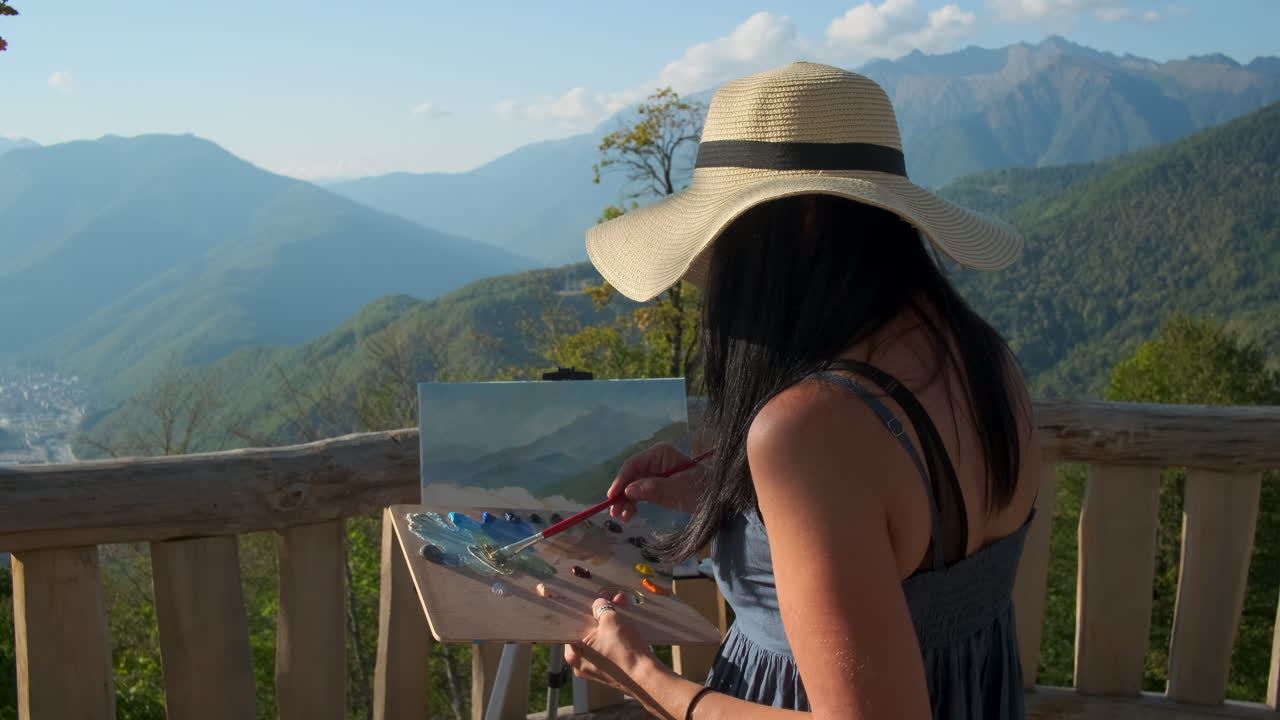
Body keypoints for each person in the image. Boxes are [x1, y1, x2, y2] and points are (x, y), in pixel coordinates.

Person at [562, 61, 1042, 720]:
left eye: (727, 232)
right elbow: (908, 537)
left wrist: (643, 675)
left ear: (803, 219)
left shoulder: (815, 428)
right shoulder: (983, 360)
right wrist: (735, 499)